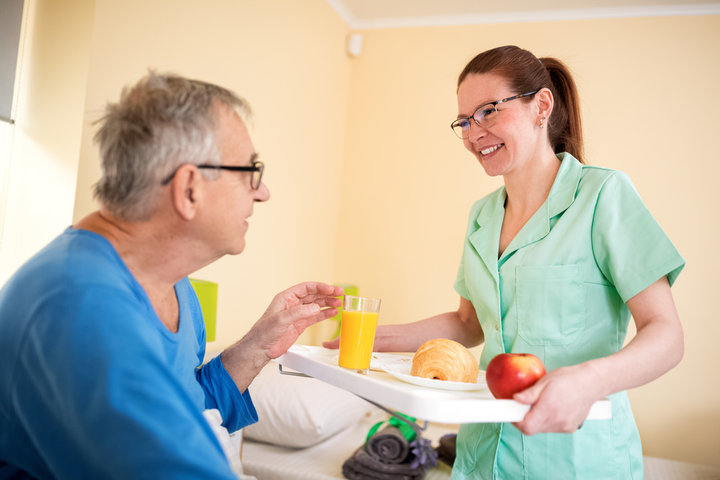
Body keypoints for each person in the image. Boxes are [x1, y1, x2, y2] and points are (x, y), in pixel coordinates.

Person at [328, 45, 685, 479]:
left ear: (541, 106)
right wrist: (374, 338)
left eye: (488, 111)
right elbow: (468, 324)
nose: (473, 132)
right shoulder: (482, 216)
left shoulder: (602, 196)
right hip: (482, 454)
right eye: (464, 120)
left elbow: (666, 336)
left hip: (574, 459)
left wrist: (588, 380)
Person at [0, 72, 343, 479]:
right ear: (189, 189)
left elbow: (188, 409)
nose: (262, 192)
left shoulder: (173, 285)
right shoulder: (79, 308)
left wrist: (257, 345)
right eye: (250, 170)